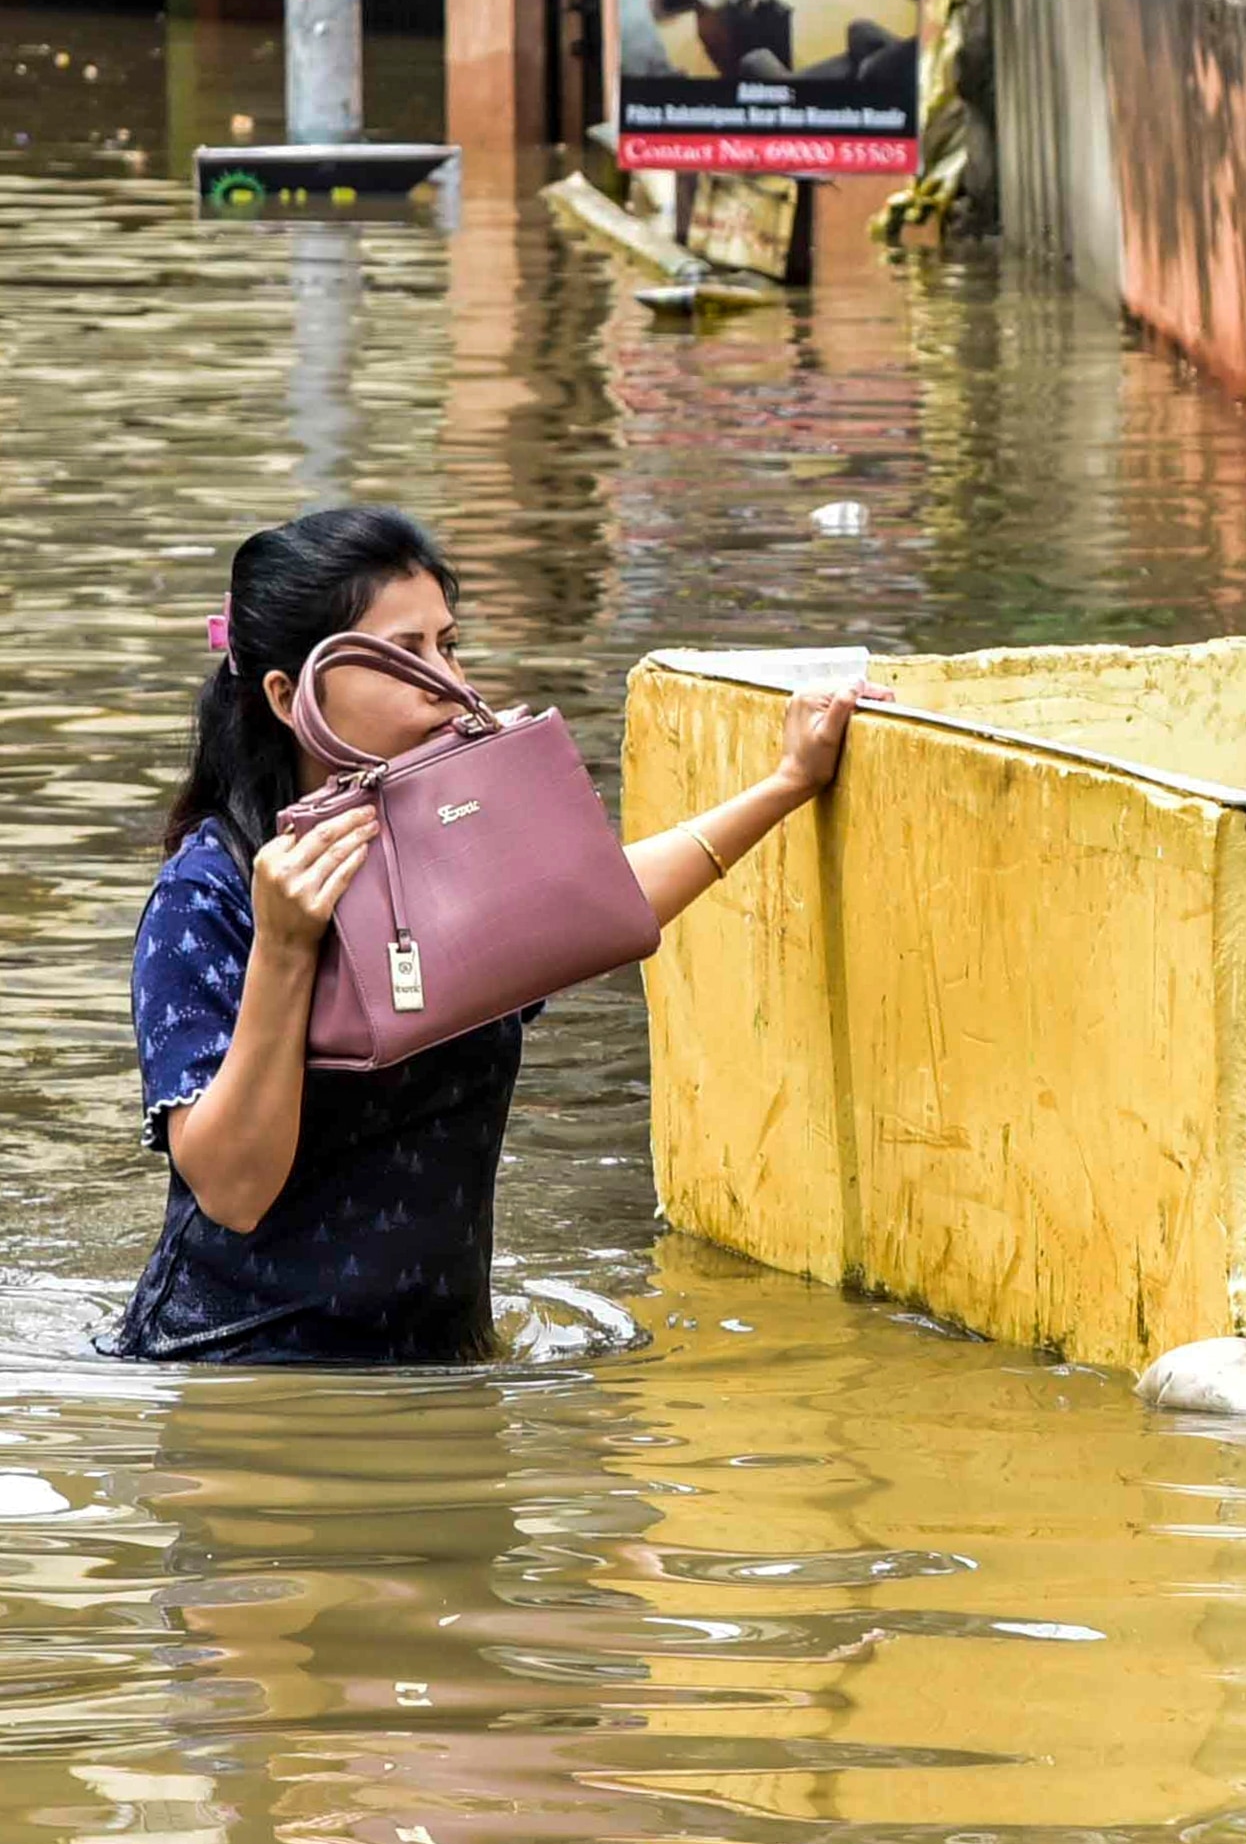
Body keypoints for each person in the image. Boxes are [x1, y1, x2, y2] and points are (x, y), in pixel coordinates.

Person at [117, 507, 885, 1366]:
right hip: (241, 1384)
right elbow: (232, 1190)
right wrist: (286, 950)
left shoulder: (456, 847)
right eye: (403, 655)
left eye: (449, 645)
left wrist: (788, 784)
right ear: (289, 696)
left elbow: (601, 905)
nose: (447, 684)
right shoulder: (209, 893)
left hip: (445, 1377)